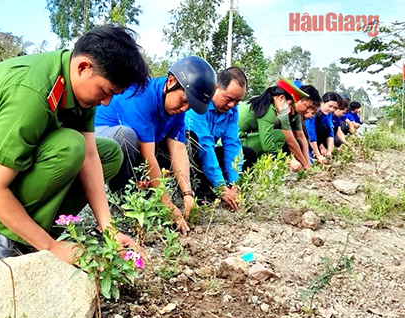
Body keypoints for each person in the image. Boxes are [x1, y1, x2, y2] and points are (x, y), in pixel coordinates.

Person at [0, 25, 149, 263]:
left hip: (2, 161)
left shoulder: (80, 90)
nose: (107, 102)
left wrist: (109, 231)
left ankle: (39, 228)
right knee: (69, 146)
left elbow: (91, 157)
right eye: (105, 91)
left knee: (109, 154)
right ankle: (5, 237)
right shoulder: (33, 91)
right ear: (83, 67)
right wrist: (50, 248)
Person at [94, 56, 216, 235]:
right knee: (125, 136)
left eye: (189, 106)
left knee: (189, 140)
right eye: (183, 100)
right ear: (171, 81)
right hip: (102, 139)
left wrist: (188, 195)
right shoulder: (142, 95)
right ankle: (117, 205)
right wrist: (167, 204)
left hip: (137, 145)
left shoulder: (177, 110)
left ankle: (144, 197)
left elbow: (179, 150)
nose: (184, 108)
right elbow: (147, 157)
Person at [185, 67, 257, 211]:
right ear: (215, 88)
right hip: (191, 156)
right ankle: (203, 193)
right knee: (192, 143)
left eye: (237, 102)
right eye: (229, 99)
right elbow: (205, 146)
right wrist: (221, 187)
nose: (232, 105)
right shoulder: (199, 103)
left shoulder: (232, 111)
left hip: (208, 155)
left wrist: (233, 184)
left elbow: (232, 144)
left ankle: (226, 192)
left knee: (248, 154)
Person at [238, 77, 308, 160]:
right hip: (236, 143)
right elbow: (267, 146)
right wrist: (287, 160)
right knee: (280, 135)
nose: (289, 109)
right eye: (290, 104)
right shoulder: (269, 110)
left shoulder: (262, 101)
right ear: (281, 98)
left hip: (231, 140)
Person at [275, 84, 321, 171]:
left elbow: (301, 137)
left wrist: (307, 162)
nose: (307, 111)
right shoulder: (284, 109)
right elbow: (290, 140)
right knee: (283, 137)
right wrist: (304, 164)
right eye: (307, 106)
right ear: (297, 99)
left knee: (298, 141)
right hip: (269, 141)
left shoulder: (296, 114)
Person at [304, 92, 342, 163]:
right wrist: (318, 155)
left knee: (325, 128)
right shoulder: (313, 112)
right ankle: (313, 152)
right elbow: (311, 134)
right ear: (322, 102)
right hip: (306, 139)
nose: (331, 109)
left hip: (317, 140)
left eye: (334, 108)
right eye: (330, 106)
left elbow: (330, 132)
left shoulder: (328, 114)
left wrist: (329, 151)